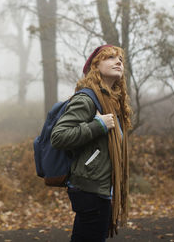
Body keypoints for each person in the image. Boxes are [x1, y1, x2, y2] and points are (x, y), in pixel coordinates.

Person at [51, 45, 132, 242]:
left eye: (120, 58)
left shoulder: (113, 102)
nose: (118, 61)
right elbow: (59, 136)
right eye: (110, 57)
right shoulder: (87, 99)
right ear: (95, 66)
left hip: (102, 188)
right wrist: (98, 125)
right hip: (89, 189)